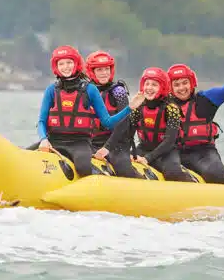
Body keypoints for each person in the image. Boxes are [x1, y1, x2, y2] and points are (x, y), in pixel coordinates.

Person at [35, 45, 132, 178]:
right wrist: (43, 139)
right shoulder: (51, 90)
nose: (66, 67)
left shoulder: (90, 89)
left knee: (83, 167)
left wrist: (130, 108)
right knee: (23, 154)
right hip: (53, 140)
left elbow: (108, 122)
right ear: (56, 66)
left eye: (69, 62)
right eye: (61, 63)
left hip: (79, 143)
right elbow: (41, 121)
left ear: (76, 63)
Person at [167, 29, 224, 185]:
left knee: (215, 173)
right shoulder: (164, 104)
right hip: (173, 154)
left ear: (192, 83)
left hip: (203, 153)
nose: (181, 88)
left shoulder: (206, 99)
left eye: (185, 83)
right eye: (176, 85)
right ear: (170, 87)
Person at [100, 67, 193, 182]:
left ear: (162, 87)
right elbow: (127, 133)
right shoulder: (139, 107)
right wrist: (111, 150)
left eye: (154, 84)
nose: (149, 88)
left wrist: (148, 159)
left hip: (166, 152)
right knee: (122, 165)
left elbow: (169, 141)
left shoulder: (171, 108)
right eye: (147, 84)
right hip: (143, 149)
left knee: (173, 172)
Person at [84, 50, 143, 178]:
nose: (104, 73)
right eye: (99, 70)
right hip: (92, 142)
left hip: (117, 144)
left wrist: (107, 148)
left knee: (124, 170)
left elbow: (124, 123)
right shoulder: (85, 91)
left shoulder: (118, 91)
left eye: (106, 69)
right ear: (91, 71)